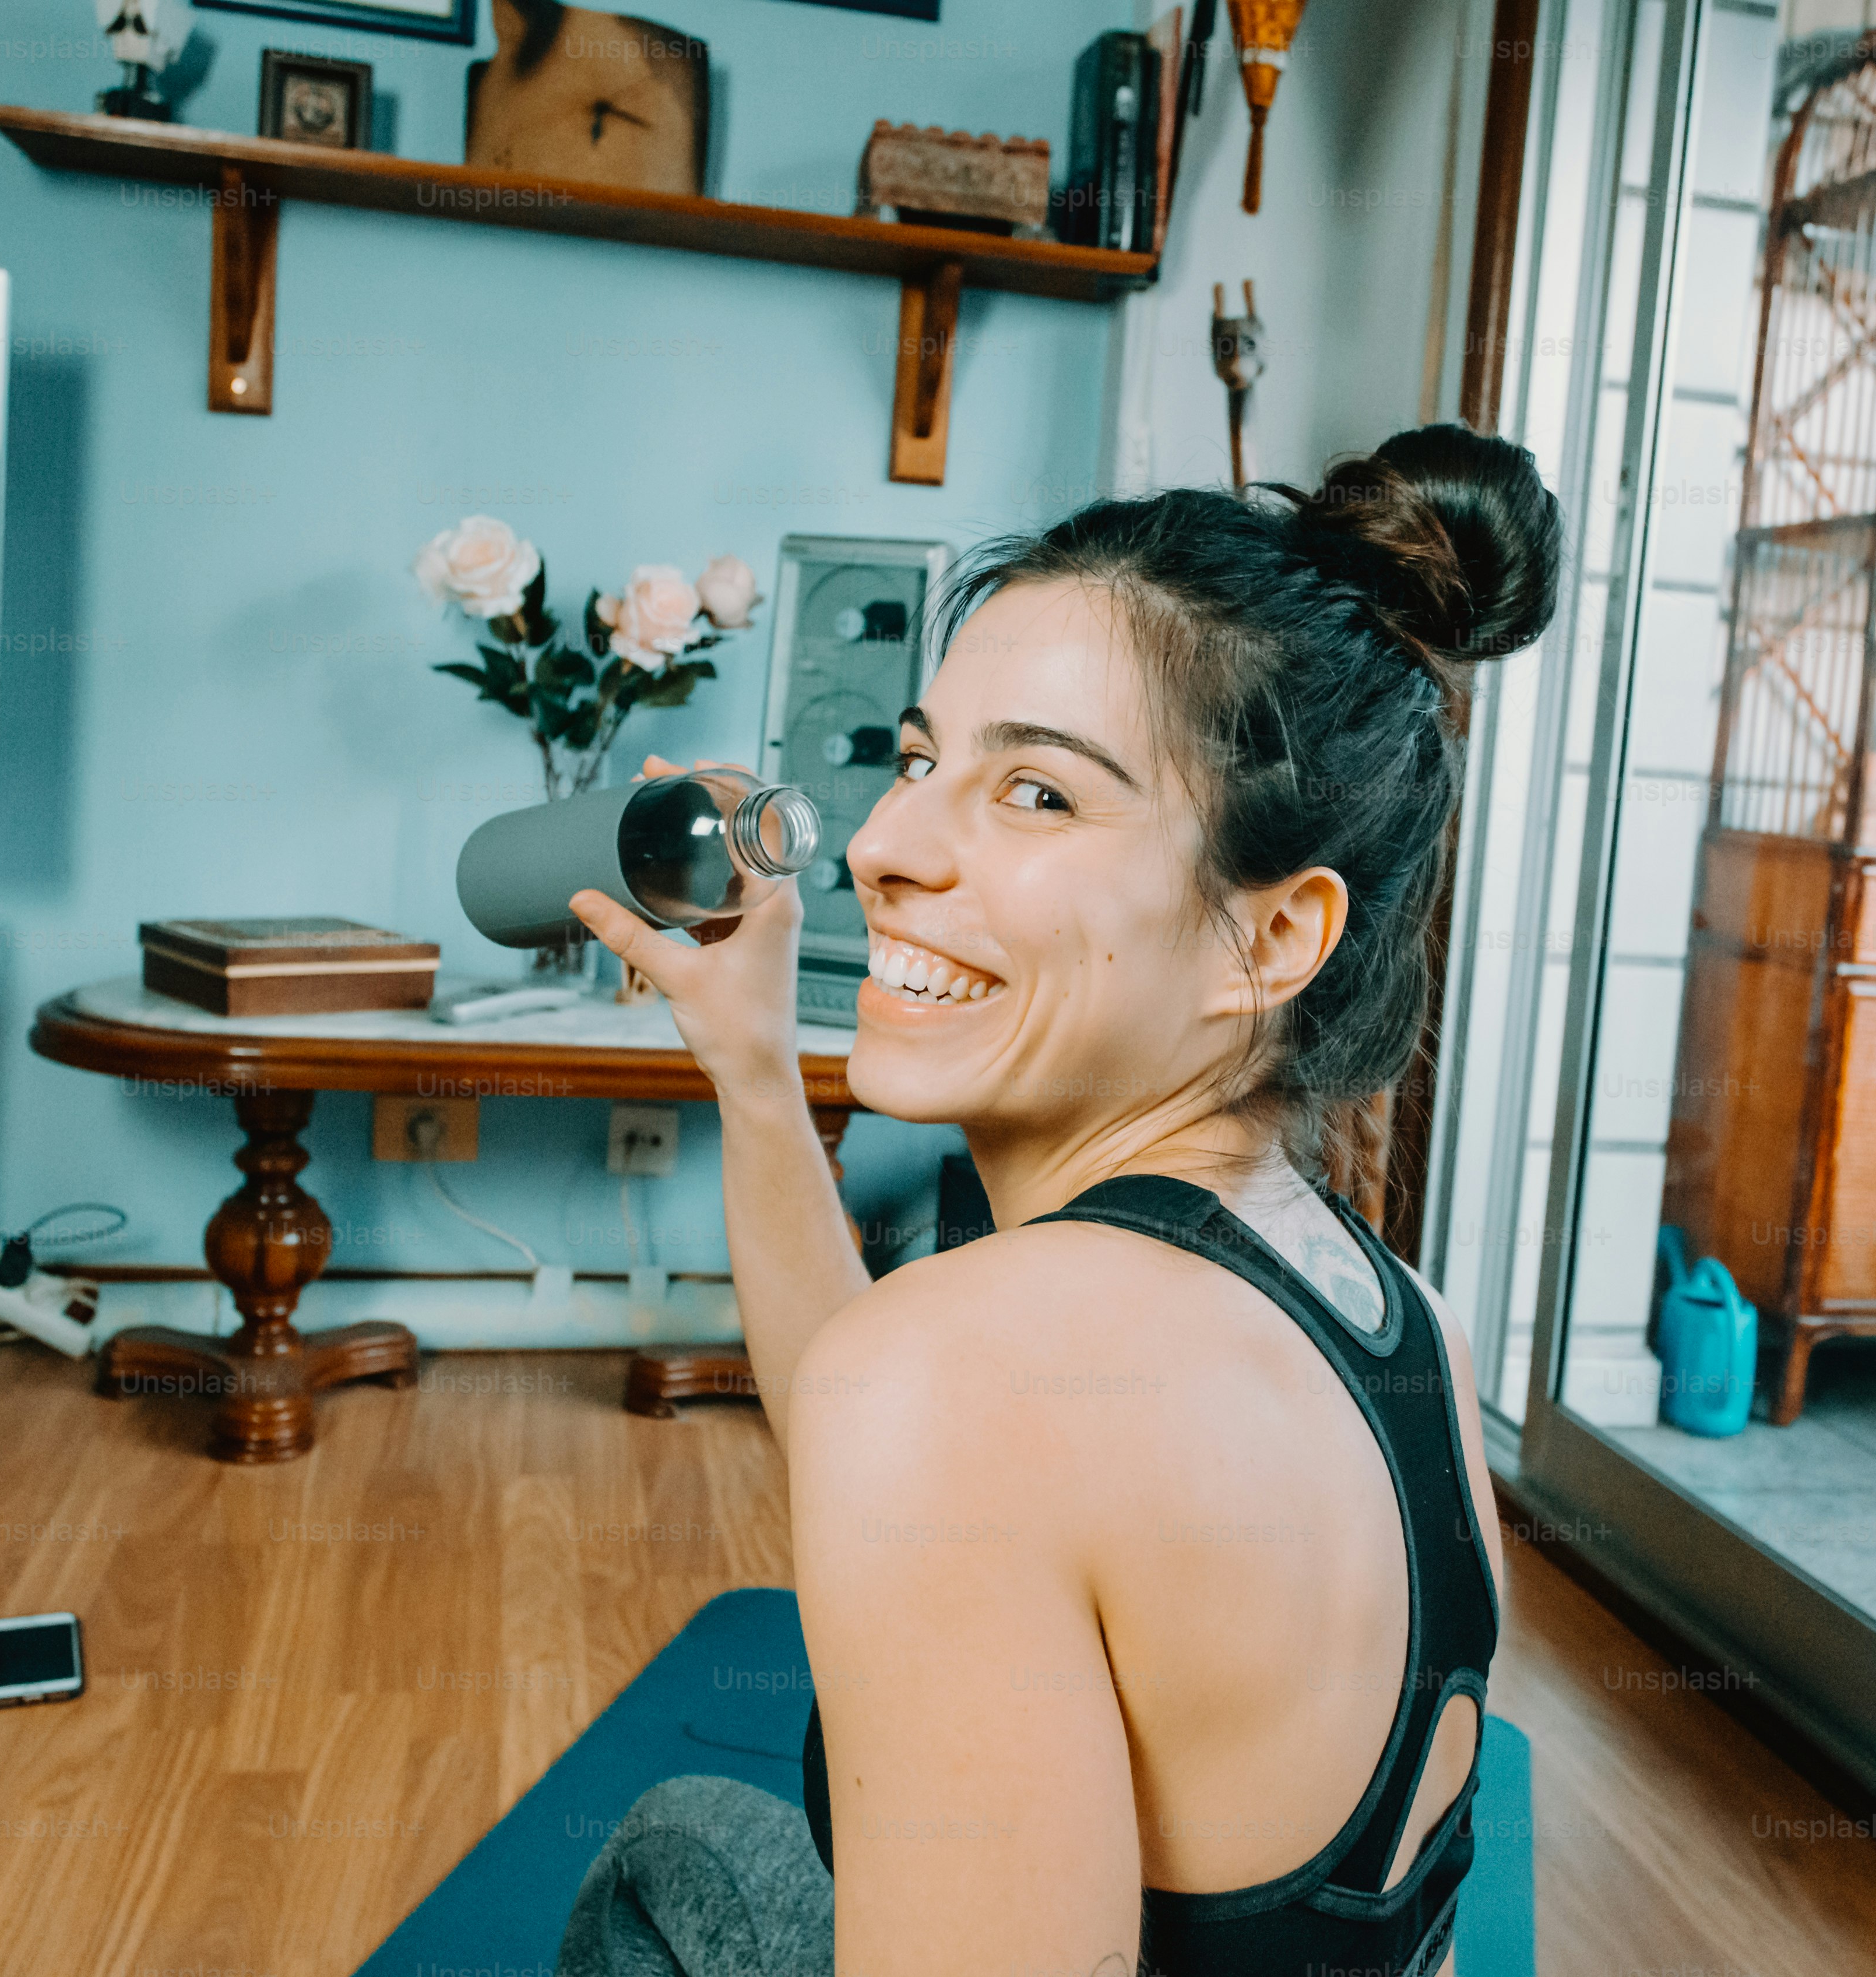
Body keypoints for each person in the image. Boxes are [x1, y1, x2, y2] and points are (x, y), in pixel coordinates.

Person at [559, 422, 1563, 1977]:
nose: (883, 848)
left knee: (679, 1844)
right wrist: (754, 1070)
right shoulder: (1398, 1320)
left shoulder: (966, 1376)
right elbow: (886, 1418)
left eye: (1033, 793)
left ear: (1269, 937)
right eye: (914, 761)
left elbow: (927, 1412)